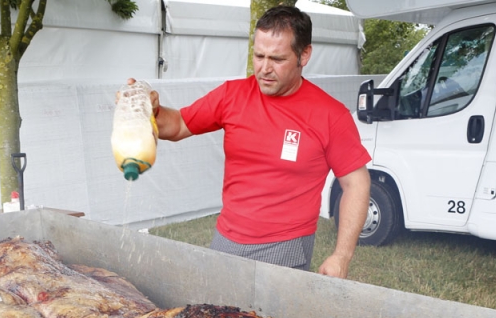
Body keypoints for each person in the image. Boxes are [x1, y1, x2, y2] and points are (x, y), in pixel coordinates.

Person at [142, 5, 372, 278]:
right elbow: (178, 124)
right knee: (212, 317)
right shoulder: (232, 95)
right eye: (258, 56)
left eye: (277, 59)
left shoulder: (330, 115)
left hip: (285, 244)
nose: (264, 68)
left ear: (304, 55)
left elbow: (356, 183)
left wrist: (341, 256)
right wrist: (149, 111)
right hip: (226, 237)